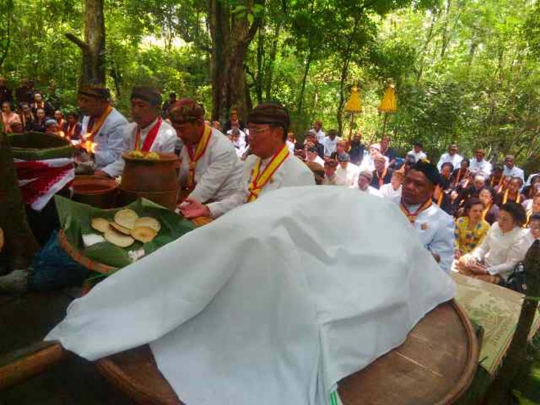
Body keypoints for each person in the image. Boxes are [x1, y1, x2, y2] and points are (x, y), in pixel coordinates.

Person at [180, 102, 315, 219]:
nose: (250, 137)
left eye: (257, 131)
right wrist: (208, 209)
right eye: (250, 131)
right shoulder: (251, 161)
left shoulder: (299, 173)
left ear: (278, 133)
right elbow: (241, 198)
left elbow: (294, 223)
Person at [166, 98, 244, 205]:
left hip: (225, 204)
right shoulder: (188, 144)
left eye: (182, 129)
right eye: (176, 129)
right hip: (200, 200)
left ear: (199, 123)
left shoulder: (222, 147)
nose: (178, 135)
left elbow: (206, 189)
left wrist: (176, 212)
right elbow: (181, 179)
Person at [104, 86, 178, 178]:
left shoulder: (168, 134)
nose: (135, 111)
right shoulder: (129, 130)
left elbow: (165, 170)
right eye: (133, 105)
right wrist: (105, 172)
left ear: (157, 109)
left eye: (141, 106)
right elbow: (124, 162)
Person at [399, 160, 454, 272]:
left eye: (418, 184)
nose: (409, 187)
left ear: (432, 190)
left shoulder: (443, 221)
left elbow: (441, 267)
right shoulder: (386, 205)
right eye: (407, 180)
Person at [457, 202, 528, 284]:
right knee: (463, 261)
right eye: (499, 217)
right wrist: (473, 257)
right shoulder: (495, 226)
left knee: (476, 280)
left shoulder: (520, 237)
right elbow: (483, 247)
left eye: (505, 219)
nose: (500, 222)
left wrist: (486, 271)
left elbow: (510, 265)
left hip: (500, 274)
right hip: (484, 264)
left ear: (515, 221)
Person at [78, 84, 129, 177]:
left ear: (101, 102)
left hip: (104, 174)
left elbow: (117, 156)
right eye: (80, 100)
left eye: (86, 101)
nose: (81, 105)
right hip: (85, 167)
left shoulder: (118, 122)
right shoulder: (87, 117)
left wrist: (92, 156)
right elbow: (83, 141)